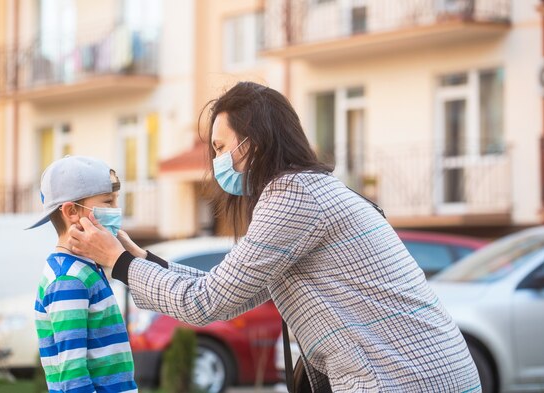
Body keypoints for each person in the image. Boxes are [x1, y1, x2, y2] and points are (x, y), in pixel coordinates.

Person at [67, 82, 482, 392]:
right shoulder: (311, 188)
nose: (215, 161)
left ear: (254, 142)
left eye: (220, 146)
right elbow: (233, 291)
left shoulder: (293, 195)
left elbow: (206, 302)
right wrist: (141, 259)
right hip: (428, 373)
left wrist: (118, 264)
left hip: (400, 380)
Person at [27, 156, 138, 393]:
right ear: (72, 211)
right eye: (108, 201)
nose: (116, 209)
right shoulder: (68, 280)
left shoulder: (84, 268)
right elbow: (73, 374)